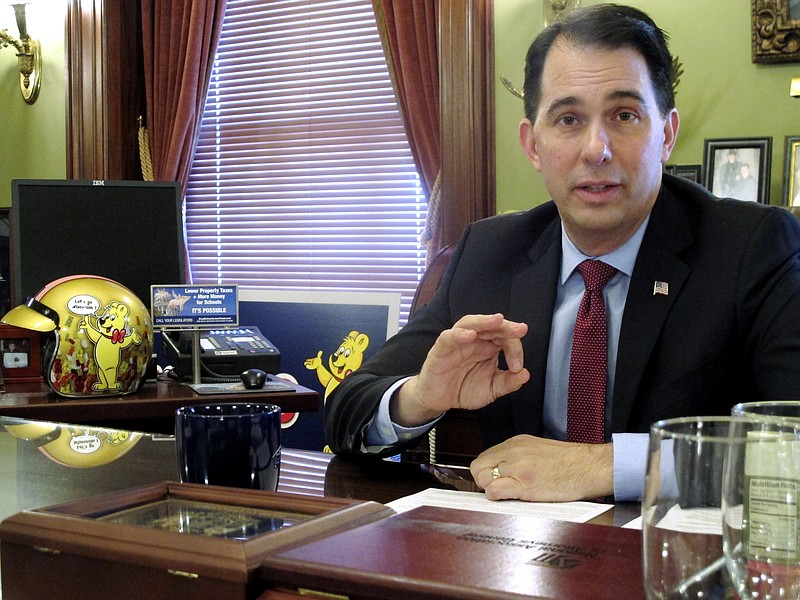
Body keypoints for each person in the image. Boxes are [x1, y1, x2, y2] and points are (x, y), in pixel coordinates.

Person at [324, 4, 800, 502]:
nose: (596, 149)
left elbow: (789, 444)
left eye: (624, 115)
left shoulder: (751, 248)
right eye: (569, 119)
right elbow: (346, 411)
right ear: (533, 145)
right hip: (517, 566)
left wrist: (605, 466)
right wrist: (421, 396)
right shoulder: (489, 253)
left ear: (666, 134)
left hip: (674, 562)